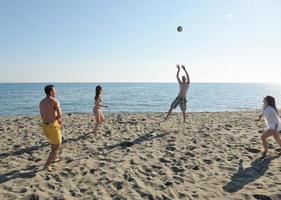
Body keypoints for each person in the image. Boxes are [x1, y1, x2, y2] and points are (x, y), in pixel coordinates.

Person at [39, 85, 62, 171]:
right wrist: (56, 119)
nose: (55, 92)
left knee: (53, 143)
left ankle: (55, 158)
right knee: (56, 146)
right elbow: (60, 115)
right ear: (51, 92)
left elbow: (42, 115)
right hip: (53, 126)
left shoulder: (41, 102)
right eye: (55, 90)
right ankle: (47, 165)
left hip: (44, 126)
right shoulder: (54, 101)